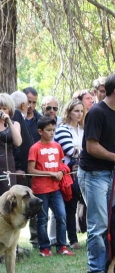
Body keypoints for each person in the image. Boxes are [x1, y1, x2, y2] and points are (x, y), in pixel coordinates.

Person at [78, 74, 115, 273]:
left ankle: (108, 267)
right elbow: (92, 147)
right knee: (99, 223)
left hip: (111, 174)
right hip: (94, 175)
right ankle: (96, 271)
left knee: (111, 222)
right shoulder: (97, 112)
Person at [27, 116, 75, 257]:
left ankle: (62, 246)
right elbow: (31, 170)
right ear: (40, 131)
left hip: (56, 189)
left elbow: (61, 163)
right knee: (42, 220)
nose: (52, 133)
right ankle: (44, 248)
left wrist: (61, 171)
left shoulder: (57, 146)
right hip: (41, 190)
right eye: (49, 130)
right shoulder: (35, 148)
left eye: (53, 130)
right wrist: (49, 173)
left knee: (61, 215)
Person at [54, 99, 85, 250]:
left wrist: (80, 149)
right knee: (71, 206)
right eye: (76, 111)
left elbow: (84, 149)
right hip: (69, 173)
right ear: (69, 112)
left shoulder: (83, 129)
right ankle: (72, 239)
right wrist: (80, 149)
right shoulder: (62, 129)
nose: (79, 114)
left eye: (81, 111)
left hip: (85, 171)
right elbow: (70, 151)